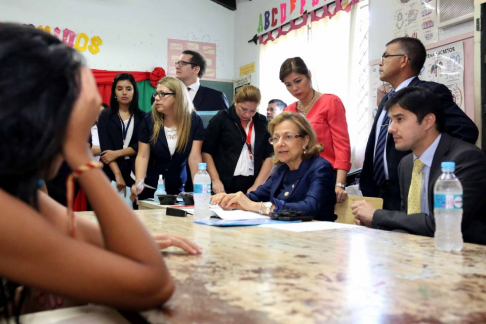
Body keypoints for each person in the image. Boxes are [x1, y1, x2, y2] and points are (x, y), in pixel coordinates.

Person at [0, 24, 201, 320]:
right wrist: (79, 152)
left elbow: (80, 232)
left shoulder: (17, 192)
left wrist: (138, 239)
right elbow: (153, 285)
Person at [352, 87, 486, 245]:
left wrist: (377, 216)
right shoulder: (407, 164)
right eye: (390, 120)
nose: (390, 129)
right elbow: (408, 222)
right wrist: (375, 224)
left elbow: (443, 225)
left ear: (428, 121)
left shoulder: (466, 160)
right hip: (419, 256)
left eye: (400, 119)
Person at [360, 37, 478, 211]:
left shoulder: (427, 92)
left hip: (410, 190)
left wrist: (432, 166)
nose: (380, 62)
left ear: (403, 60)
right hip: (380, 191)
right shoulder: (387, 98)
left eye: (386, 56)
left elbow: (466, 130)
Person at [211, 112, 337, 221]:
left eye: (288, 137)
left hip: (315, 240)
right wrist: (230, 199)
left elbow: (309, 208)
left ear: (305, 141)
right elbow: (253, 197)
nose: (280, 144)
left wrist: (258, 207)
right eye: (275, 138)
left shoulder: (320, 168)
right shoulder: (281, 170)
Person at [280, 57, 351, 203]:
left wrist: (340, 183)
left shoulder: (330, 102)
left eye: (298, 81)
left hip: (324, 176)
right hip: (296, 179)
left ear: (309, 75)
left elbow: (342, 145)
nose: (294, 88)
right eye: (288, 84)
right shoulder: (288, 111)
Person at [131, 76, 204, 200]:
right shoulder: (149, 120)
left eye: (163, 94)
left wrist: (201, 191)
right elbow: (143, 155)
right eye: (156, 93)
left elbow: (194, 157)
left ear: (178, 97)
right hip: (148, 185)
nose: (156, 98)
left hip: (176, 186)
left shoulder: (194, 120)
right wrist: (139, 181)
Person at [202, 85, 274, 194]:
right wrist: (215, 180)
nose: (247, 114)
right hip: (224, 182)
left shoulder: (262, 122)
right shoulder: (221, 118)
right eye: (243, 109)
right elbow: (206, 151)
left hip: (253, 182)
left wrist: (257, 185)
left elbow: (270, 156)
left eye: (253, 111)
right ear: (235, 101)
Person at [97, 74, 146, 197]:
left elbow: (141, 146)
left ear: (134, 91)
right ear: (114, 92)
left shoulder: (143, 117)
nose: (124, 93)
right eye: (120, 89)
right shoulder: (105, 115)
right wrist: (118, 175)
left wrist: (117, 153)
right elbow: (106, 150)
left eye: (128, 89)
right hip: (109, 171)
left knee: (131, 212)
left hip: (134, 171)